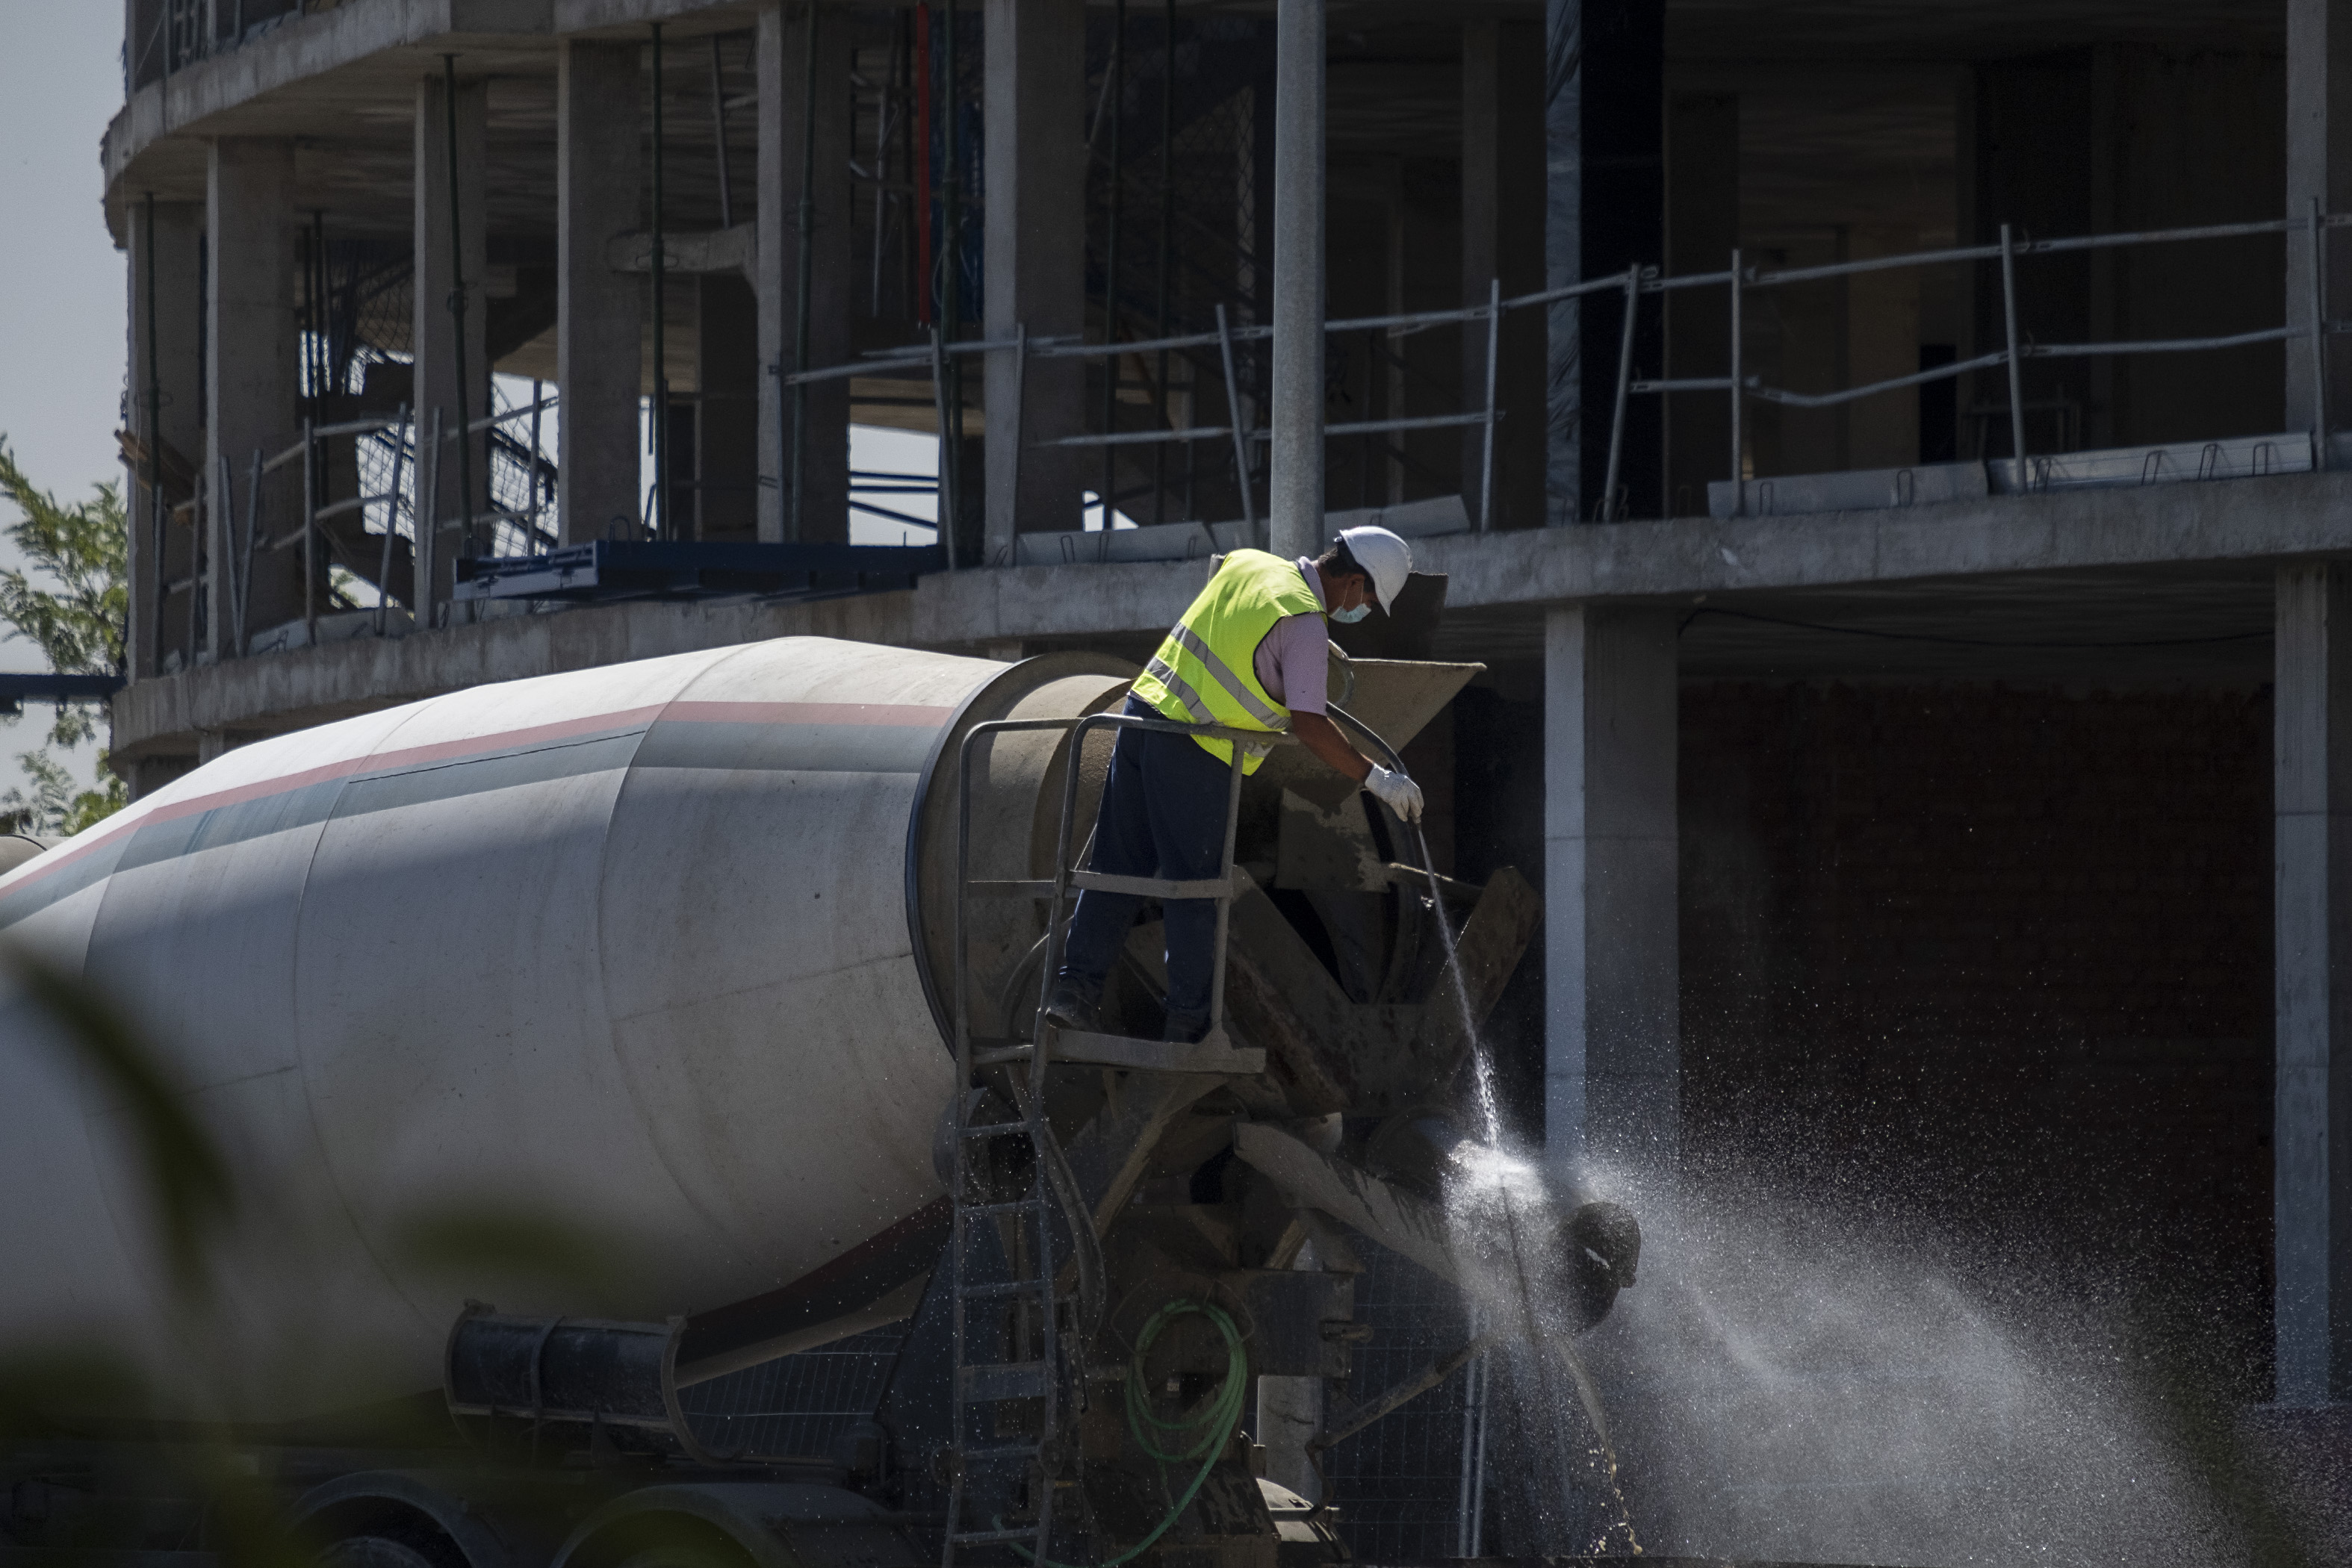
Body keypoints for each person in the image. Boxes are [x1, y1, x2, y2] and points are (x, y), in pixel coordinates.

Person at [1043, 526, 1425, 1045]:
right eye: (1369, 600)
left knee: (1116, 864)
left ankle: (1073, 993)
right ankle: (1189, 1025)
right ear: (1355, 582)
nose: (1362, 610)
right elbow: (1310, 725)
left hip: (1138, 719)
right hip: (1197, 748)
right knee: (1195, 888)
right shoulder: (1304, 623)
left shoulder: (1249, 562)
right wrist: (1376, 778)